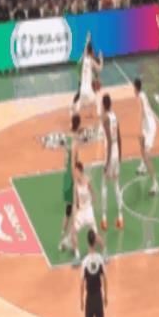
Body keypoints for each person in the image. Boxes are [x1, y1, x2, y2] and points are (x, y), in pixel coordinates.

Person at [69, 161, 106, 266]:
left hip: (88, 211)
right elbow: (75, 202)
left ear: (79, 171)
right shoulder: (75, 185)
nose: (73, 173)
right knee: (73, 232)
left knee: (95, 236)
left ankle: (104, 251)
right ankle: (77, 256)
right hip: (81, 212)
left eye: (75, 171)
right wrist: (74, 217)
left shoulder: (87, 181)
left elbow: (93, 194)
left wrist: (92, 202)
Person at [81, 229, 107, 317]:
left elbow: (82, 282)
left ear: (87, 242)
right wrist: (106, 296)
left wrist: (81, 300)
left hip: (89, 300)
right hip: (98, 298)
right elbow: (105, 278)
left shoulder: (85, 261)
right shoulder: (100, 259)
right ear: (95, 242)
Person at [59, 114, 81, 253]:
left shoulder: (68, 138)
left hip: (66, 177)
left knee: (68, 211)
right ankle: (72, 242)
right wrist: (77, 181)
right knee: (75, 211)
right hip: (72, 178)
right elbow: (73, 164)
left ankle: (62, 239)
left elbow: (65, 160)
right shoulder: (75, 143)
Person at [101, 94, 123, 230]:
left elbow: (109, 141)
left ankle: (104, 218)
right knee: (116, 185)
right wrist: (120, 156)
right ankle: (120, 217)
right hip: (116, 151)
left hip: (109, 153)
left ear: (104, 105)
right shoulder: (115, 116)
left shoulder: (105, 118)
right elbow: (119, 137)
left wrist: (107, 162)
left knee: (104, 184)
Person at [134, 79, 159, 195]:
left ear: (135, 88)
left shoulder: (139, 97)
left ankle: (155, 185)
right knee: (141, 143)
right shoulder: (142, 94)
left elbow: (140, 113)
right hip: (147, 125)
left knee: (147, 155)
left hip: (150, 128)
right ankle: (143, 165)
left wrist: (138, 128)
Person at [72, 33, 103, 118]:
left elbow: (85, 50)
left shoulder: (84, 58)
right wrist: (101, 58)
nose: (93, 51)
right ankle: (99, 116)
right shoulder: (92, 61)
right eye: (92, 50)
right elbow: (100, 68)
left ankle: (74, 116)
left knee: (79, 103)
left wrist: (88, 40)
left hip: (82, 92)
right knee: (98, 99)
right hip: (88, 92)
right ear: (91, 51)